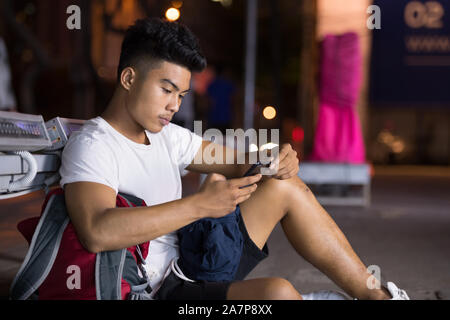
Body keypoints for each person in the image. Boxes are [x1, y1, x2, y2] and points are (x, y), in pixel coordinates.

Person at [60, 18, 409, 300]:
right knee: (279, 294)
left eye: (181, 94)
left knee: (283, 185)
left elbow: (241, 160)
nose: (175, 105)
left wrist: (275, 157)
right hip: (157, 290)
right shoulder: (94, 145)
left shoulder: (166, 136)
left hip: (191, 260)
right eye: (166, 90)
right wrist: (200, 206)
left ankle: (377, 298)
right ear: (128, 78)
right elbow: (96, 232)